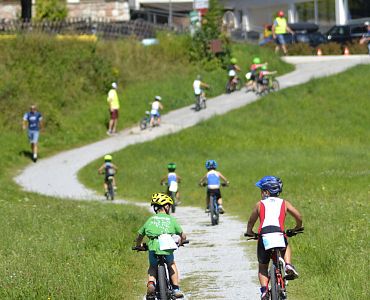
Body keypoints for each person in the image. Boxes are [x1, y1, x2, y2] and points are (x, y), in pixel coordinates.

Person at [245, 176, 303, 300]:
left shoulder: (259, 204)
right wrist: (297, 227)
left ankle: (264, 291)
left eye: (261, 190)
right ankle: (288, 264)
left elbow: (251, 221)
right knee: (285, 245)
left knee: (262, 266)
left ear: (266, 192)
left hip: (264, 235)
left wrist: (249, 232)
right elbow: (298, 216)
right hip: (278, 234)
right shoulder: (284, 203)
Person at [135, 193, 187, 299]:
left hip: (153, 247)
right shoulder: (171, 219)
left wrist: (138, 245)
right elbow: (182, 235)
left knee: (153, 266)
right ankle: (176, 288)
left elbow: (140, 235)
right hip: (167, 246)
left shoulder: (150, 220)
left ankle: (151, 284)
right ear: (166, 207)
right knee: (171, 263)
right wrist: (181, 241)